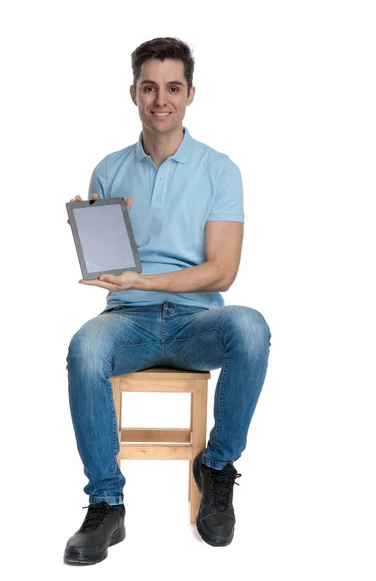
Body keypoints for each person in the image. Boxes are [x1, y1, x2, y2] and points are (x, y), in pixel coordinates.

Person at [64, 37, 271, 565]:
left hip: (196, 322)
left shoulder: (220, 170)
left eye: (173, 88)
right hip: (125, 320)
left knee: (250, 327)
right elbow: (109, 270)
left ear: (191, 93)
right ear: (133, 92)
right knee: (85, 349)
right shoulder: (109, 169)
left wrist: (151, 282)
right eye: (150, 87)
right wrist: (93, 230)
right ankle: (106, 503)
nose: (162, 99)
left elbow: (224, 270)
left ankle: (218, 469)